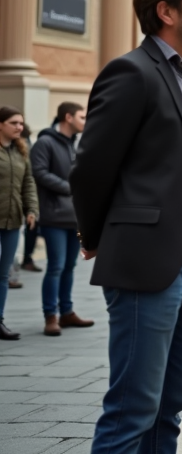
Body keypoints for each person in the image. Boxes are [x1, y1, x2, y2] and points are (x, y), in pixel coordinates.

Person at [71, 0, 182, 454]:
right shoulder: (131, 72)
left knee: (170, 406)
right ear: (166, 11)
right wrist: (103, 239)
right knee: (132, 410)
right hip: (150, 263)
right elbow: (90, 169)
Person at [30, 101, 93, 336]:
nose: (85, 122)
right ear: (68, 117)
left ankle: (67, 313)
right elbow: (39, 173)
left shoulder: (75, 144)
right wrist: (70, 187)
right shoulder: (45, 142)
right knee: (55, 267)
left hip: (74, 216)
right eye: (82, 117)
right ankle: (51, 316)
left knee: (69, 266)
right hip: (53, 215)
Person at [0, 107, 37, 340]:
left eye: (21, 123)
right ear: (1, 124)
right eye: (14, 123)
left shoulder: (21, 150)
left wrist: (32, 209)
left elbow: (28, 182)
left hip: (13, 221)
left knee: (4, 275)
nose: (19, 127)